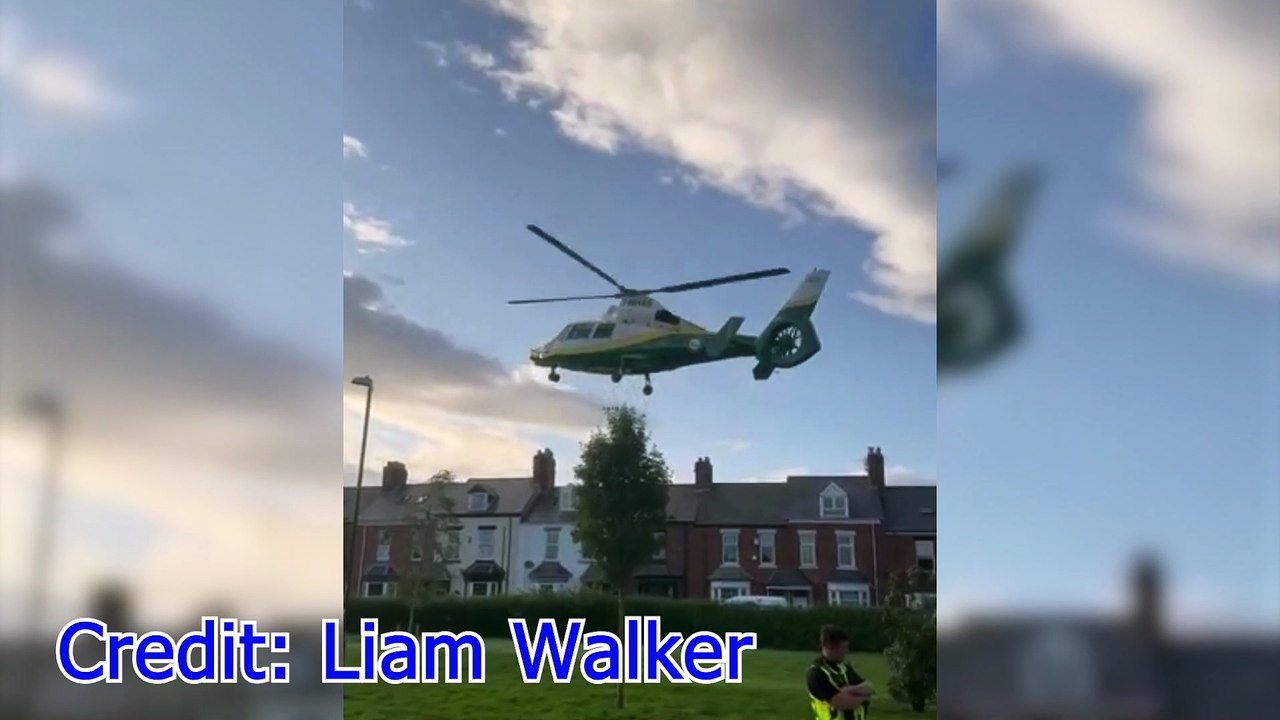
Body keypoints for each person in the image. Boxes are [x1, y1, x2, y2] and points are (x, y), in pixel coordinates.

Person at [806, 624, 875, 720]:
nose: (846, 651)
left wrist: (850, 690)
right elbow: (841, 703)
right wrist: (864, 698)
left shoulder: (843, 668)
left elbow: (869, 687)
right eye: (843, 648)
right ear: (830, 647)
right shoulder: (816, 673)